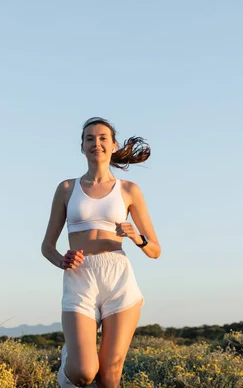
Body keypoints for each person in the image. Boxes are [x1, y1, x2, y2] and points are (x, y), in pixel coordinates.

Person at [41, 117, 161, 388]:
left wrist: (136, 237)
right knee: (84, 372)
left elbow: (155, 250)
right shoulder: (67, 189)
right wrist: (63, 260)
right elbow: (47, 246)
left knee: (109, 378)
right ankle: (69, 362)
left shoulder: (129, 190)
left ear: (113, 145)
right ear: (82, 147)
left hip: (118, 277)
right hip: (80, 276)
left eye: (103, 138)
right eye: (90, 139)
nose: (96, 143)